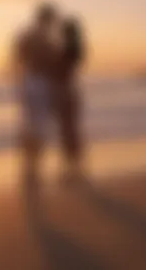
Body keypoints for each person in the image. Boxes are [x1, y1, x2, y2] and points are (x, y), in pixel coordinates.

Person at [12, 2, 59, 180]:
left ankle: (29, 166)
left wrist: (19, 83)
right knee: (38, 126)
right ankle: (33, 167)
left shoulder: (27, 36)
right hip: (40, 83)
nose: (53, 23)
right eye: (51, 20)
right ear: (47, 19)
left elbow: (16, 60)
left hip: (29, 81)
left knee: (29, 125)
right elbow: (52, 66)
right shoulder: (47, 40)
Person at [55, 17, 85, 179]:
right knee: (70, 130)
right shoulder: (75, 49)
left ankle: (72, 168)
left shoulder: (68, 50)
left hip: (66, 92)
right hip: (72, 91)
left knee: (67, 131)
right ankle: (74, 167)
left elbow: (61, 73)